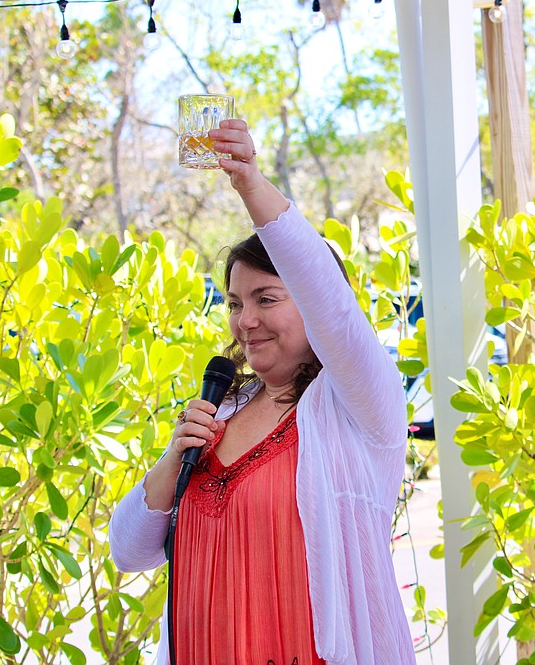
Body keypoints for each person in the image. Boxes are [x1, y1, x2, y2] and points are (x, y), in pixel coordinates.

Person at [109, 119, 418, 665]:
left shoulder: (357, 406)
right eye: (233, 303)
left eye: (267, 299)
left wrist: (249, 183)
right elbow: (128, 551)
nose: (245, 320)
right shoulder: (222, 409)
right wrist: (174, 457)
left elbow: (329, 298)